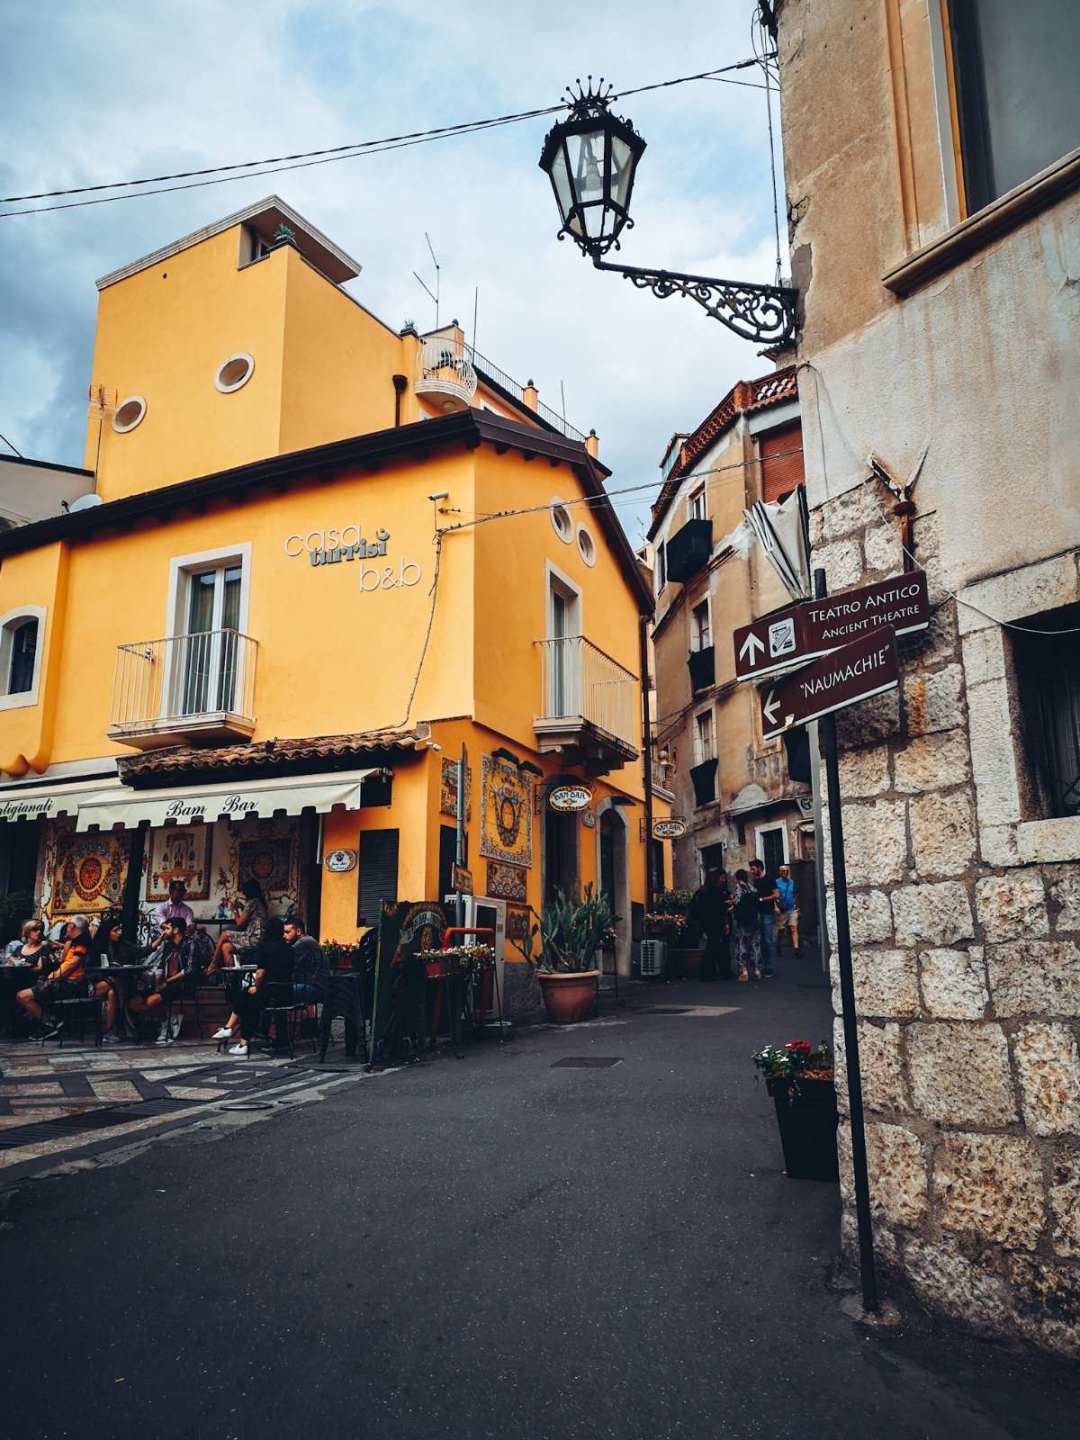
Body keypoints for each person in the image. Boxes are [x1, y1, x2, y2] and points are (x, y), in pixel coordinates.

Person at [212, 917, 294, 1056]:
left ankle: (234, 1033)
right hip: (286, 993)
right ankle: (235, 1035)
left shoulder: (265, 948)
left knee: (247, 997)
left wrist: (256, 986)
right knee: (249, 999)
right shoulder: (289, 949)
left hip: (270, 993)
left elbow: (260, 973)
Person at [127, 917, 201, 1045]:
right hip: (166, 982)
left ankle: (165, 1026)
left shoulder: (190, 943)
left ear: (176, 930)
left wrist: (167, 981)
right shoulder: (168, 945)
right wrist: (157, 984)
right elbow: (160, 967)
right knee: (134, 1002)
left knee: (150, 1001)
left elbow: (189, 970)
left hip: (182, 983)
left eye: (167, 928)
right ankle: (169, 1019)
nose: (164, 932)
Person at [16, 916, 92, 1037]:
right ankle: (47, 1023)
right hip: (66, 982)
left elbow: (71, 965)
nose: (65, 929)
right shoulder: (74, 942)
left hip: (70, 985)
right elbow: (63, 960)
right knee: (30, 992)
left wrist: (52, 977)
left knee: (22, 996)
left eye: (67, 926)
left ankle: (51, 1024)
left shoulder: (81, 943)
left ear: (72, 927)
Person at [91, 911, 146, 1043]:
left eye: (120, 929)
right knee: (117, 983)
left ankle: (109, 1030)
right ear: (107, 932)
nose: (119, 932)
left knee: (112, 993)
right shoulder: (96, 948)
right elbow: (90, 970)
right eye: (116, 930)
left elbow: (139, 951)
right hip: (93, 984)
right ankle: (124, 1022)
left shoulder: (120, 946)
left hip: (111, 985)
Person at [208, 878, 268, 973]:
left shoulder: (252, 902)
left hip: (253, 938)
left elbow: (239, 924)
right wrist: (242, 907)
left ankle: (213, 963)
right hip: (257, 938)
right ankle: (232, 979)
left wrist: (234, 910)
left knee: (224, 934)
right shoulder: (259, 902)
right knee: (225, 947)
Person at [688, 869, 732, 981]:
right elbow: (721, 909)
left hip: (707, 923)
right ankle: (716, 972)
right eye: (722, 877)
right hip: (716, 922)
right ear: (716, 878)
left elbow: (694, 908)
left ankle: (711, 972)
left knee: (714, 946)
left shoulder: (702, 891)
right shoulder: (718, 891)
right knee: (717, 947)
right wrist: (726, 922)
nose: (724, 879)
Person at [284, 916, 328, 1004]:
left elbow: (286, 961)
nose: (284, 935)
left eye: (287, 932)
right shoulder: (309, 940)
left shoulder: (302, 943)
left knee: (279, 991)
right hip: (319, 987)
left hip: (315, 988)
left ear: (298, 931)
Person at [749, 858, 780, 979]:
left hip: (767, 913)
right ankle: (762, 966)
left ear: (759, 868)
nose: (751, 871)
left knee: (767, 940)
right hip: (758, 914)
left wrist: (762, 899)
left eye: (753, 869)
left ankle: (770, 967)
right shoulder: (756, 881)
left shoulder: (770, 879)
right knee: (760, 941)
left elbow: (776, 894)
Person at [731, 870, 762, 983]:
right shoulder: (752, 888)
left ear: (737, 878)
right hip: (754, 920)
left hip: (742, 922)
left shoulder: (738, 889)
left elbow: (736, 902)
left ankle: (744, 971)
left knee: (742, 945)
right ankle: (756, 970)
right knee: (755, 945)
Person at [774, 864, 801, 957]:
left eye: (786, 871)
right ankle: (778, 945)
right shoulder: (776, 882)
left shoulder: (792, 882)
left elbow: (796, 894)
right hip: (782, 910)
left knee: (794, 928)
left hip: (792, 909)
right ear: (780, 872)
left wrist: (797, 907)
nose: (784, 873)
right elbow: (774, 896)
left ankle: (796, 949)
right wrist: (775, 907)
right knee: (781, 930)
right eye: (783, 871)